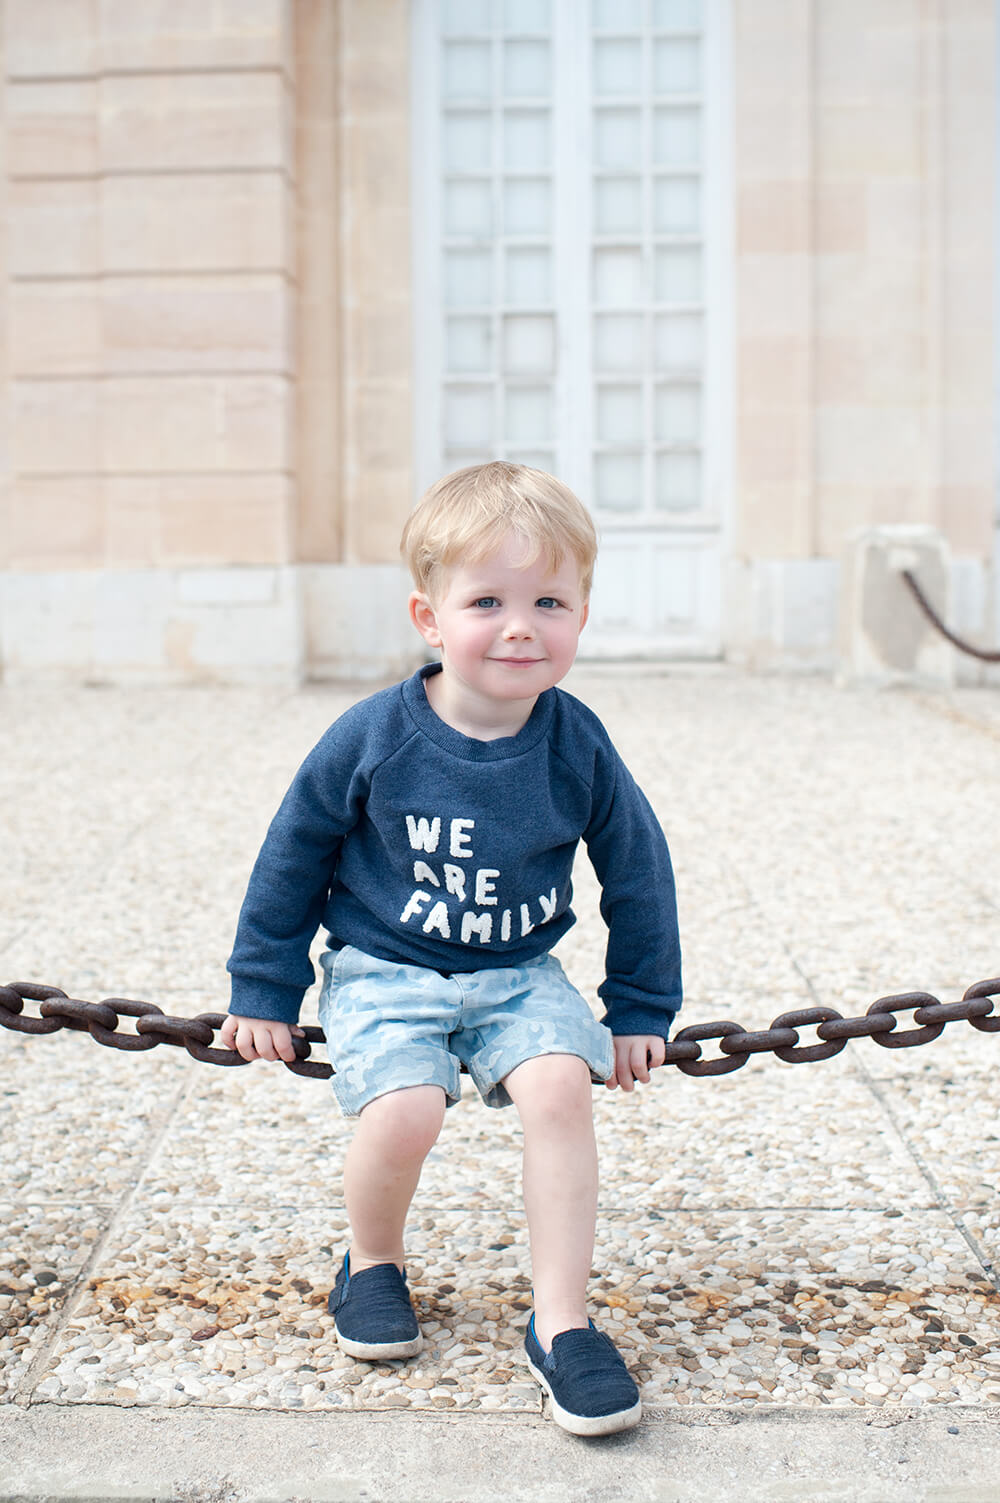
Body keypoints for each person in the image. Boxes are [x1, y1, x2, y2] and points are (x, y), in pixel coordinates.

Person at [222, 461, 682, 1436]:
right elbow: (292, 851)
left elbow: (637, 869)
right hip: (386, 966)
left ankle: (561, 1323)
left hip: (517, 974)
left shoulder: (575, 743)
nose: (521, 626)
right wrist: (263, 985)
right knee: (405, 1108)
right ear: (429, 618)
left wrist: (639, 1009)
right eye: (488, 601)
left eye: (548, 600)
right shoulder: (375, 737)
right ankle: (373, 1263)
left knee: (561, 1091)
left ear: (582, 617)